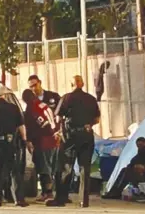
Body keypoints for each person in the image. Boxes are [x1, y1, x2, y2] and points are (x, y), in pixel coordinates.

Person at [46, 75, 100, 208]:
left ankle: (61, 198)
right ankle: (84, 200)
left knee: (65, 167)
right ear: (82, 84)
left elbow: (58, 118)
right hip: (86, 135)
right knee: (84, 168)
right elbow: (97, 118)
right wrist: (89, 124)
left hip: (70, 136)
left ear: (71, 85)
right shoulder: (91, 99)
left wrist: (60, 130)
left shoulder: (66, 98)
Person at [26, 75, 61, 202]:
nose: (33, 88)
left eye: (35, 85)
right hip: (39, 138)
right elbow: (28, 122)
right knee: (42, 165)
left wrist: (59, 131)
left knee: (54, 165)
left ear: (40, 83)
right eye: (31, 87)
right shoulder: (31, 103)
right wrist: (29, 140)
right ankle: (47, 192)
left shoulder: (53, 97)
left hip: (53, 137)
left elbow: (59, 114)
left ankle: (58, 192)